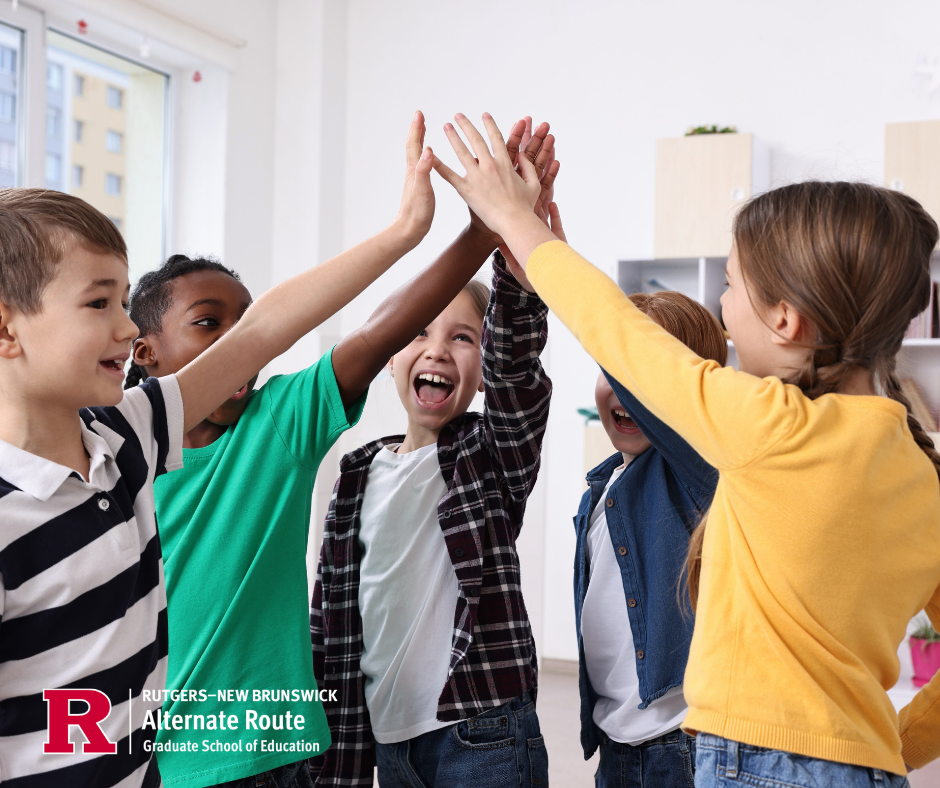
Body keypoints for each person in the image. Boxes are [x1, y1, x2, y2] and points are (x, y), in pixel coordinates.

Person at [434, 112, 940, 786]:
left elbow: (620, 335)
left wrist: (515, 222)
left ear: (787, 319)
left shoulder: (772, 427)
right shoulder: (920, 471)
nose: (722, 305)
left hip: (758, 763)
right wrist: (890, 746)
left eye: (730, 286)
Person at [0, 111, 436, 788]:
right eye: (97, 304)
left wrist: (405, 232)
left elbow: (264, 329)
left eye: (124, 301)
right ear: (7, 329)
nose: (123, 327)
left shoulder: (131, 435)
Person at [128, 116, 557, 788]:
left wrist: (479, 234)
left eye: (247, 326)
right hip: (170, 761)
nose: (244, 344)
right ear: (144, 353)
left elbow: (380, 336)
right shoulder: (113, 456)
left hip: (290, 754)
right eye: (210, 323)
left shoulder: (278, 425)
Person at [309, 235, 561, 786]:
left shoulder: (488, 455)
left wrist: (516, 284)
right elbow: (329, 614)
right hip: (385, 740)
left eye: (463, 336)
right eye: (419, 331)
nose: (438, 350)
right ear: (393, 353)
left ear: (483, 359)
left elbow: (516, 380)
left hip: (480, 732)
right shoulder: (356, 473)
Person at [576, 291, 726, 788]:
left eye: (646, 375)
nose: (628, 392)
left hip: (680, 743)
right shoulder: (599, 491)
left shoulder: (693, 473)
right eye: (614, 371)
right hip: (616, 742)